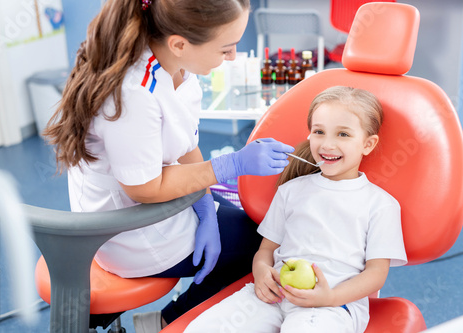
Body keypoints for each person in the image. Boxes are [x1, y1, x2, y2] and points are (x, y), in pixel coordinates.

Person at [43, 0, 294, 332]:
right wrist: (232, 164)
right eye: (226, 48)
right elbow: (144, 188)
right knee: (260, 245)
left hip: (158, 205)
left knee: (245, 228)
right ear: (179, 43)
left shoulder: (177, 68)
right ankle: (169, 320)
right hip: (130, 231)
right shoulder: (134, 93)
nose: (232, 57)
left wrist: (205, 204)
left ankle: (168, 318)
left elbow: (186, 142)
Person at [184, 86, 408, 333]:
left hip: (331, 306)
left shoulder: (381, 204)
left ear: (368, 144)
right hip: (275, 295)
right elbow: (266, 250)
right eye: (319, 132)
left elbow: (376, 274)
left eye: (343, 134)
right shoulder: (291, 190)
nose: (328, 144)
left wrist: (331, 298)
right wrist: (260, 271)